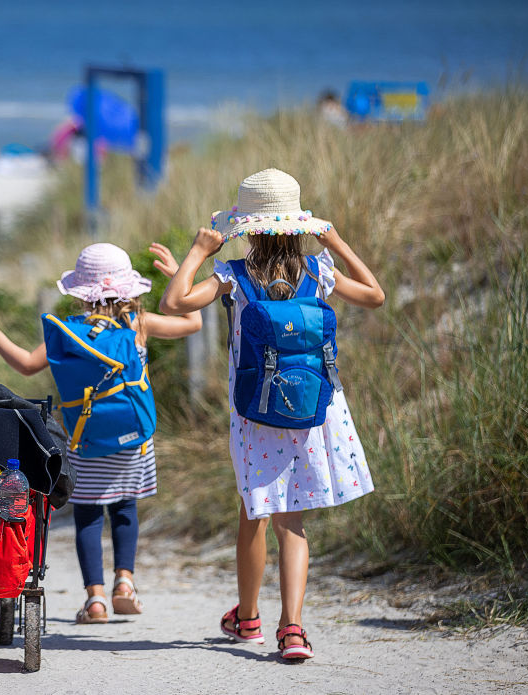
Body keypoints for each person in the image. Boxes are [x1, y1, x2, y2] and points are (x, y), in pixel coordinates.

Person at [158, 168, 384, 660]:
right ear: (297, 225)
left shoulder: (233, 276)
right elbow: (375, 295)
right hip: (313, 409)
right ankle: (293, 630)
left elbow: (173, 302)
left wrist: (199, 251)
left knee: (253, 511)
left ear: (248, 230)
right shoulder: (319, 270)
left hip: (256, 411)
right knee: (291, 522)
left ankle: (248, 618)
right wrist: (338, 242)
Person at [0, 242, 202, 624]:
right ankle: (124, 583)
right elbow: (193, 323)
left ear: (80, 292)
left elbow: (27, 365)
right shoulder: (138, 324)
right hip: (134, 440)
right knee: (126, 508)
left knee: (89, 517)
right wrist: (178, 273)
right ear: (127, 290)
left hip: (84, 440)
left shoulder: (69, 333)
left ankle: (95, 600)